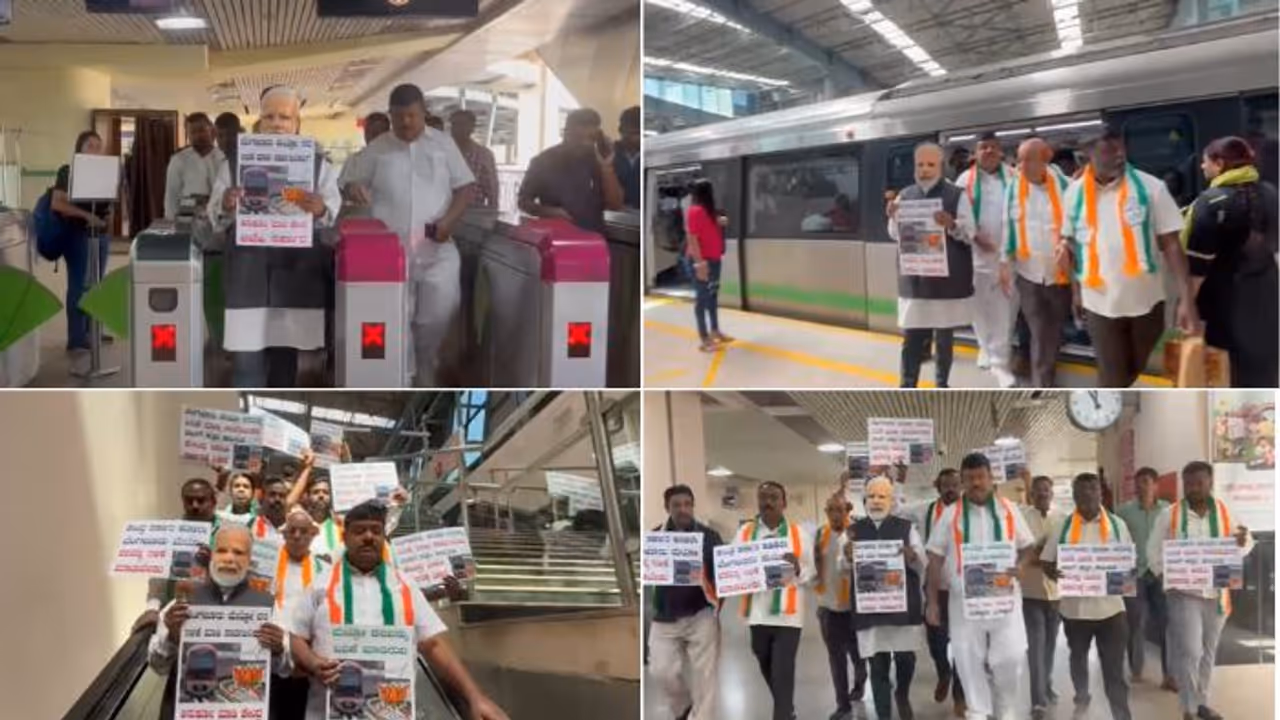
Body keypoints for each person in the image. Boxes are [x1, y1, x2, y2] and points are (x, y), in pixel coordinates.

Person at [288, 500, 509, 719]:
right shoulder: (320, 585)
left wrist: (475, 696)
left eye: (376, 531)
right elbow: (296, 637)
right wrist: (311, 661)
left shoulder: (406, 586)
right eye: (359, 531)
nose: (368, 537)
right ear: (344, 538)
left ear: (384, 538)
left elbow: (432, 644)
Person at [208, 85, 343, 388]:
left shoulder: (319, 166)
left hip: (296, 271)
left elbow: (332, 215)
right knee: (247, 356)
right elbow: (215, 215)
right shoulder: (234, 163)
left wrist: (321, 209)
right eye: (270, 116)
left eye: (285, 117)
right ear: (259, 121)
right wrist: (227, 203)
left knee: (286, 353)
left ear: (297, 123)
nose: (277, 123)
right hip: (248, 270)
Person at [342, 84, 475, 387]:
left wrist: (449, 221)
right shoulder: (378, 149)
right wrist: (354, 188)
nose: (405, 123)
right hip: (389, 256)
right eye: (398, 117)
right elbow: (348, 182)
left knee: (439, 313)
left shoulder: (443, 144)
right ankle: (404, 375)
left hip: (437, 248)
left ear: (423, 112)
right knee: (394, 320)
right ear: (390, 115)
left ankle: (427, 359)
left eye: (412, 116)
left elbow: (466, 187)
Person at [1060, 124, 1199, 387]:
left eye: (1121, 148)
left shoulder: (1151, 189)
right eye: (1109, 150)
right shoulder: (1073, 195)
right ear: (1087, 153)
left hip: (1146, 301)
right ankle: (1113, 423)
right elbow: (1074, 245)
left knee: (1144, 371)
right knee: (1111, 377)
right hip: (1098, 303)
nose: (1120, 155)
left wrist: (1187, 301)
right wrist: (1076, 291)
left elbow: (1171, 245)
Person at [925, 453, 1036, 720]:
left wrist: (1021, 567)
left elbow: (1028, 547)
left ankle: (1006, 709)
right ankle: (977, 711)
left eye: (981, 477)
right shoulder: (951, 515)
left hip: (1005, 598)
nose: (976, 483)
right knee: (967, 658)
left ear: (991, 478)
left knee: (1012, 654)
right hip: (964, 601)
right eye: (970, 478)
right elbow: (935, 559)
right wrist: (932, 602)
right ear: (963, 482)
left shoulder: (1009, 509)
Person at [1146, 461, 1253, 720]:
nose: (1194, 487)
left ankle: (1202, 703)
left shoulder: (1226, 511)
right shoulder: (1169, 514)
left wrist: (1242, 541)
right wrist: (1164, 575)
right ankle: (1188, 708)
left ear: (1210, 482)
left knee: (1208, 651)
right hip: (1184, 595)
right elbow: (1152, 550)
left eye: (1199, 482)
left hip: (1216, 595)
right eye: (1189, 483)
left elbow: (1245, 542)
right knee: (1190, 651)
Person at [148, 524, 290, 720]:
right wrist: (171, 637)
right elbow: (157, 665)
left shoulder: (268, 605)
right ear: (211, 556)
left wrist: (279, 650)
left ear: (249, 561)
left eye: (238, 552)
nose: (229, 558)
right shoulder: (181, 603)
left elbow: (285, 668)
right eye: (222, 550)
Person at [1184, 135, 1279, 387]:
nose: (1202, 167)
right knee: (1265, 371)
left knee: (1227, 372)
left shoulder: (1210, 202)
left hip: (1225, 303)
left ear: (1219, 163)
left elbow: (1198, 269)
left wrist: (1186, 305)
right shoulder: (1270, 193)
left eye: (1205, 162)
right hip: (1267, 296)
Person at [1041, 473, 1134, 720]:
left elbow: (1129, 564)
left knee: (1114, 671)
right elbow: (1046, 562)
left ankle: (1122, 715)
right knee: (1078, 658)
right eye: (1081, 491)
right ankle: (1081, 696)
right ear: (1074, 496)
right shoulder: (1062, 526)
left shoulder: (1117, 525)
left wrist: (1124, 573)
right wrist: (1055, 572)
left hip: (1112, 611)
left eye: (1092, 489)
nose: (1087, 495)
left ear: (1100, 493)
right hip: (1075, 611)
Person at [887, 143, 977, 388]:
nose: (925, 170)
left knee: (944, 337)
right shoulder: (904, 195)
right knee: (911, 336)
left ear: (941, 167)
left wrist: (952, 224)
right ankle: (907, 385)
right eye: (920, 165)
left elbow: (970, 233)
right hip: (915, 279)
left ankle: (941, 384)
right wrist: (893, 217)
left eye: (930, 164)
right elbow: (895, 235)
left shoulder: (957, 195)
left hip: (945, 280)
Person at [842, 478, 925, 720]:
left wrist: (912, 555)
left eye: (882, 496)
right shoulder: (853, 530)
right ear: (864, 500)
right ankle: (884, 714)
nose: (876, 501)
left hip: (903, 607)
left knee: (906, 659)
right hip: (870, 609)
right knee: (877, 665)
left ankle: (902, 693)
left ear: (891, 500)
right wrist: (846, 557)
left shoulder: (907, 528)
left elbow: (923, 563)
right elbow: (841, 567)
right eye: (871, 496)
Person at [734, 481, 815, 720]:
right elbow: (732, 564)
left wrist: (799, 567)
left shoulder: (798, 534)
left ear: (784, 503)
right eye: (763, 497)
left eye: (773, 497)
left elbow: (811, 572)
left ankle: (781, 714)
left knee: (783, 671)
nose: (767, 502)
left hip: (788, 617)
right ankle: (787, 709)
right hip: (757, 613)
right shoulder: (745, 533)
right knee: (764, 662)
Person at [1000, 137, 1073, 387]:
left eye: (1028, 159)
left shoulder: (1068, 187)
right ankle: (1043, 384)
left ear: (1047, 157)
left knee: (1050, 332)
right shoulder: (1013, 189)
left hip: (1061, 277)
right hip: (1029, 277)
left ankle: (1044, 372)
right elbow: (1007, 229)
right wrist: (1004, 266)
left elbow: (1082, 227)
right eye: (1019, 160)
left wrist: (1068, 244)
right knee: (1042, 334)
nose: (1022, 165)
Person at [648, 484, 723, 720]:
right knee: (661, 671)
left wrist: (716, 601)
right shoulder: (655, 538)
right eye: (676, 505)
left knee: (705, 677)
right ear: (666, 508)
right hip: (665, 616)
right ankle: (682, 708)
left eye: (687, 504)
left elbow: (724, 575)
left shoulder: (710, 537)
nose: (683, 509)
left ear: (693, 506)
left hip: (700, 615)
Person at [898, 468, 965, 715]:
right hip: (933, 587)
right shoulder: (924, 509)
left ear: (961, 486)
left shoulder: (969, 512)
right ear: (937, 486)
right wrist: (899, 482)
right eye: (945, 485)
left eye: (955, 485)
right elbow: (896, 509)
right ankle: (943, 672)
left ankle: (960, 694)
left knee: (962, 642)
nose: (950, 489)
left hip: (962, 587)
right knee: (936, 641)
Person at [957, 133, 1018, 387]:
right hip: (976, 256)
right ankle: (985, 347)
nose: (989, 151)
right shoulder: (964, 180)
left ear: (1001, 152)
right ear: (975, 153)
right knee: (979, 310)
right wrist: (973, 235)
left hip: (1009, 257)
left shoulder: (1015, 176)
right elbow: (956, 216)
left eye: (993, 147)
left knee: (1006, 311)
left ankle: (1001, 363)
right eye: (983, 147)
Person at [51, 130, 113, 353]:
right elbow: (58, 204)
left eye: (99, 146)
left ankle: (93, 331)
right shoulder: (68, 172)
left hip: (101, 235)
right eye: (91, 145)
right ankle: (77, 339)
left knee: (97, 285)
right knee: (79, 286)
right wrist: (87, 216)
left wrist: (105, 218)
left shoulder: (105, 173)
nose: (96, 150)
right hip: (77, 236)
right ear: (80, 148)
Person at [518, 108, 625, 233]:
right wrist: (549, 211)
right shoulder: (543, 161)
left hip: (593, 239)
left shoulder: (600, 161)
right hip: (555, 235)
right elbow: (523, 201)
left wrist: (606, 167)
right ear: (566, 133)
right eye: (578, 138)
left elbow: (615, 205)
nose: (583, 145)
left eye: (590, 138)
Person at [1116, 466, 1175, 691]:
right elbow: (1114, 540)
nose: (1142, 486)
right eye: (1139, 482)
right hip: (1134, 574)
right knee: (1135, 623)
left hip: (1161, 574)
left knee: (1167, 623)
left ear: (1156, 485)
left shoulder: (1169, 511)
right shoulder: (1123, 512)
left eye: (1147, 481)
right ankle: (1136, 669)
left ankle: (1169, 674)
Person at [270, 507, 332, 719]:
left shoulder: (324, 570)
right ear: (284, 533)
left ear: (312, 534)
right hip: (271, 656)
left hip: (307, 662)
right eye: (292, 530)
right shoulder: (267, 564)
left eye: (303, 531)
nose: (297, 536)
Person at [815, 492, 867, 720]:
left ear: (848, 510)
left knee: (858, 656)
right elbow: (813, 566)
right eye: (830, 510)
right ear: (826, 512)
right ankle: (842, 704)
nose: (835, 515)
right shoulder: (819, 535)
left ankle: (859, 683)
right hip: (828, 607)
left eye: (840, 510)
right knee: (836, 659)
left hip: (855, 608)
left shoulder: (858, 533)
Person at [1020, 474, 1062, 718]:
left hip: (1056, 594)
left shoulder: (1062, 519)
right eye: (1038, 490)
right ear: (1031, 494)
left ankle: (1045, 684)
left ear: (1052, 493)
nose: (1043, 494)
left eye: (1047, 489)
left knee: (1049, 646)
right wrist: (1043, 556)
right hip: (1030, 593)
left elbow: (1065, 552)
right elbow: (1022, 553)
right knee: (1035, 647)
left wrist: (1040, 555)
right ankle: (1038, 701)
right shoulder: (1023, 518)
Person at [683, 178, 732, 352]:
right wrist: (700, 264)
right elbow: (692, 239)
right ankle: (704, 339)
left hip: (714, 259)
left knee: (712, 296)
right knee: (702, 300)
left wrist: (721, 218)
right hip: (701, 261)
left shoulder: (711, 212)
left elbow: (721, 225)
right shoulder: (694, 211)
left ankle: (715, 331)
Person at [164, 112, 224, 220]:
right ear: (188, 135)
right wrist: (171, 223)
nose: (198, 135)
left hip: (219, 222)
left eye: (201, 130)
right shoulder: (179, 160)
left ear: (211, 130)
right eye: (192, 132)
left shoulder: (223, 158)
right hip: (188, 221)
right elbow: (171, 197)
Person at [450, 109, 499, 208]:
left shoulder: (484, 155)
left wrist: (492, 216)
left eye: (463, 124)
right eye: (455, 124)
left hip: (473, 213)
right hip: (442, 212)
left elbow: (492, 190)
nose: (458, 128)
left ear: (472, 128)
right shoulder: (440, 153)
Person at [336, 111, 390, 191]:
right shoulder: (353, 160)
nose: (372, 137)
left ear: (387, 134)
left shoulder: (397, 160)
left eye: (377, 133)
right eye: (368, 132)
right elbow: (340, 187)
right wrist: (349, 188)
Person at [615, 106, 642, 209]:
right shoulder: (607, 156)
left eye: (640, 133)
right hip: (614, 217)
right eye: (634, 133)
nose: (637, 138)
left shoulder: (650, 156)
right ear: (621, 131)